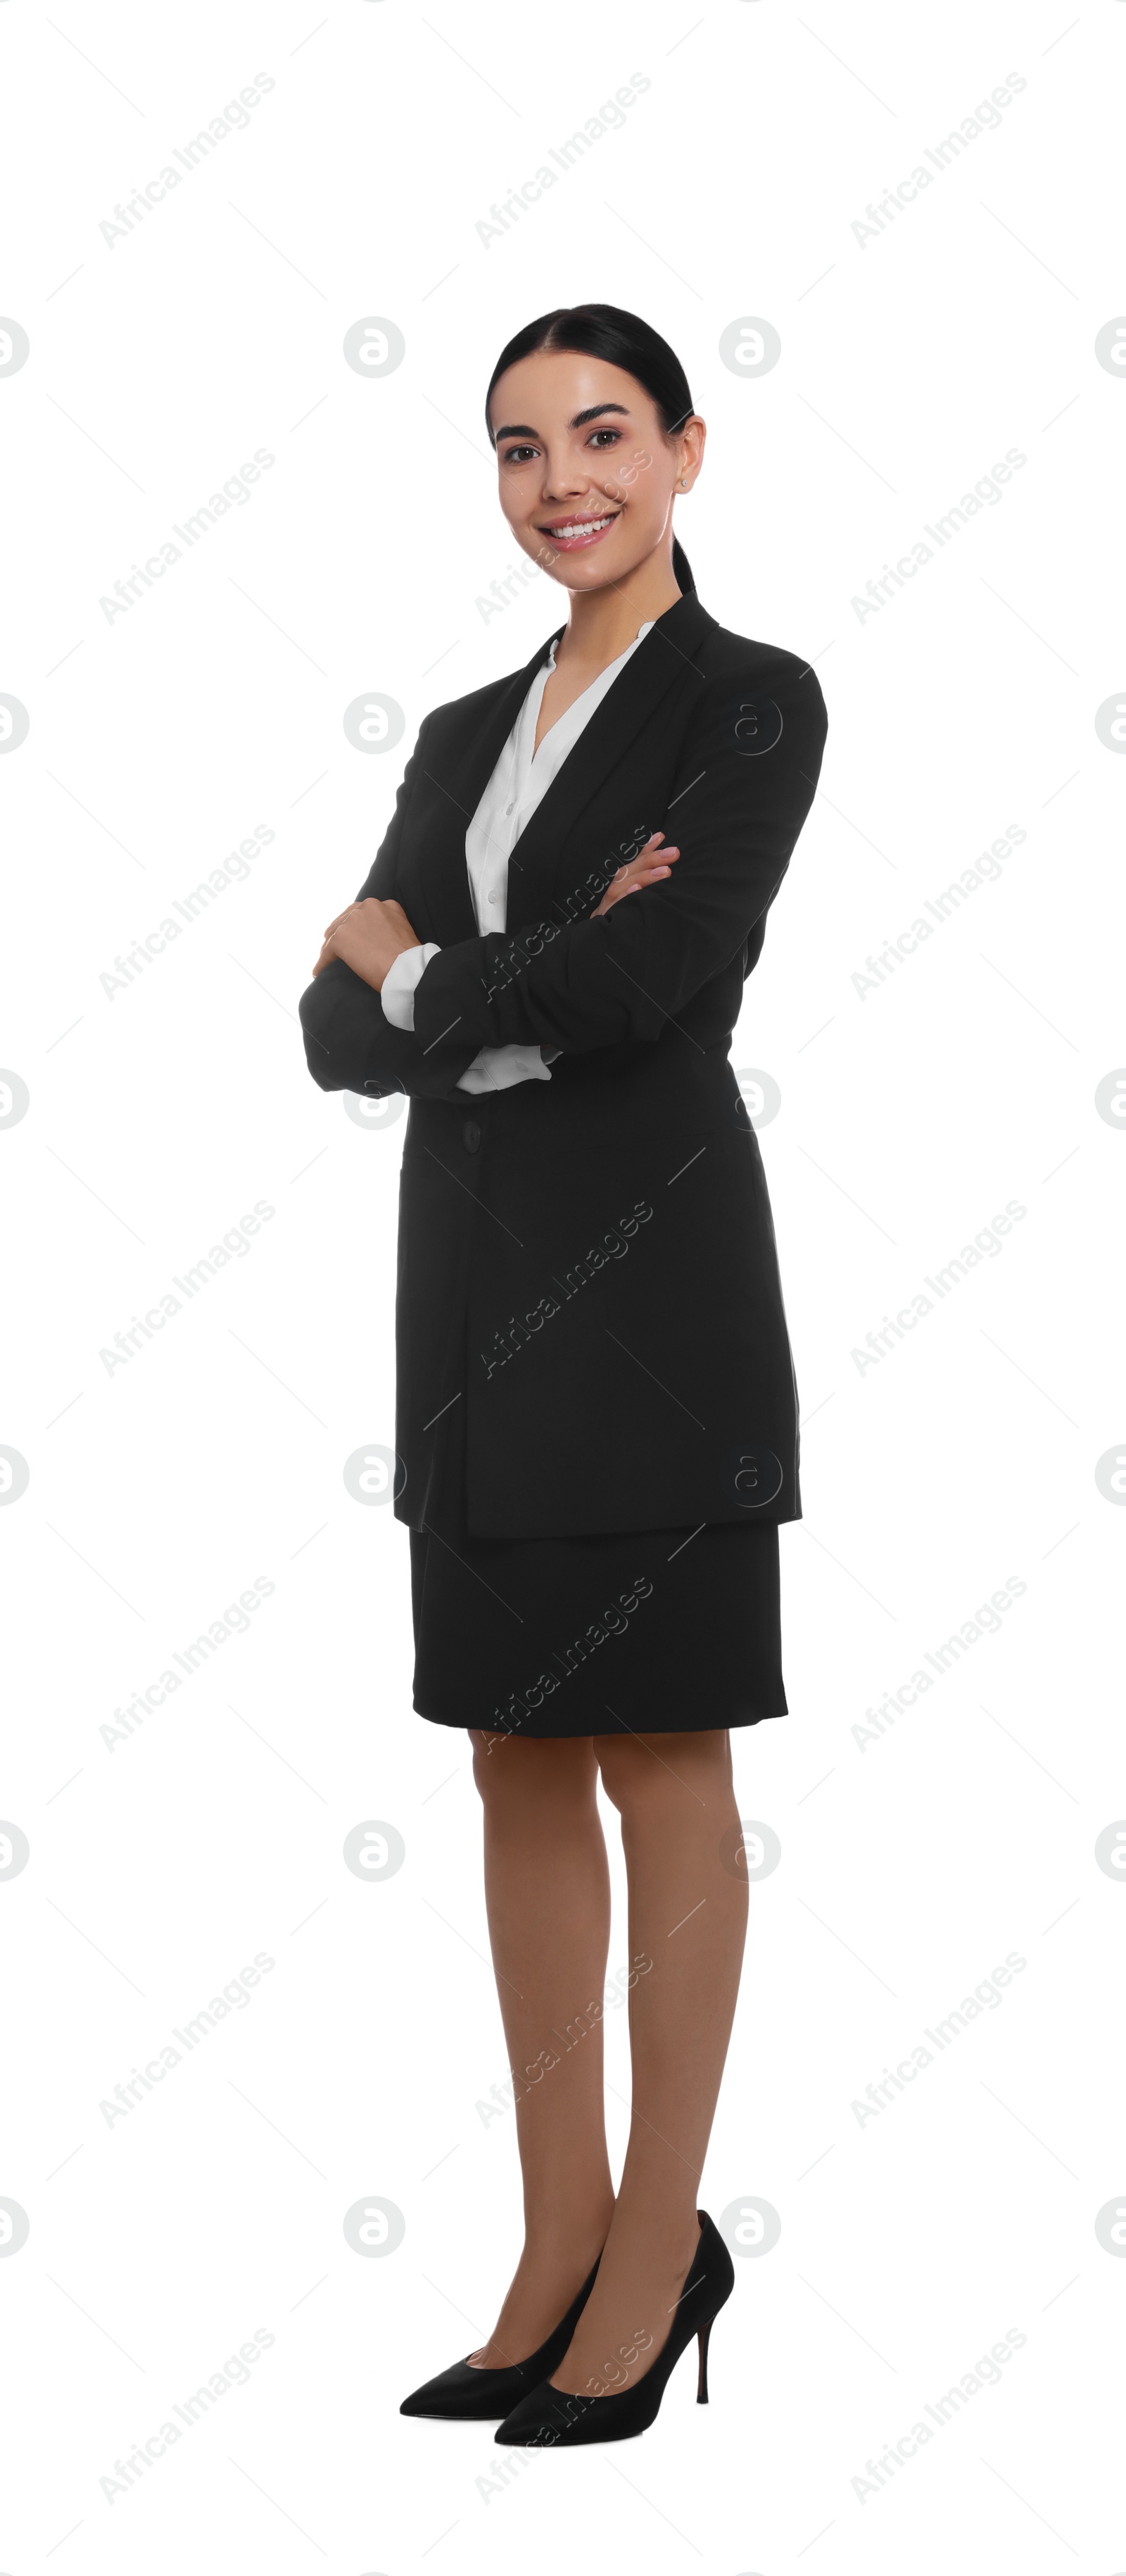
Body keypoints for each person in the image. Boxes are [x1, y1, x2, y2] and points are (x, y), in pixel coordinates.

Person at [299, 303, 827, 2446]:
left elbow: (667, 972)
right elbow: (328, 1035)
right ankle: (553, 2235)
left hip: (658, 1296)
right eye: (518, 447)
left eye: (603, 434)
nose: (560, 481)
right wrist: (486, 985)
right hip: (474, 1305)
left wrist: (427, 968)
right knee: (514, 1756)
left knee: (661, 1754)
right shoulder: (457, 728)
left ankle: (662, 2241)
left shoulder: (750, 702)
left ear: (687, 451)